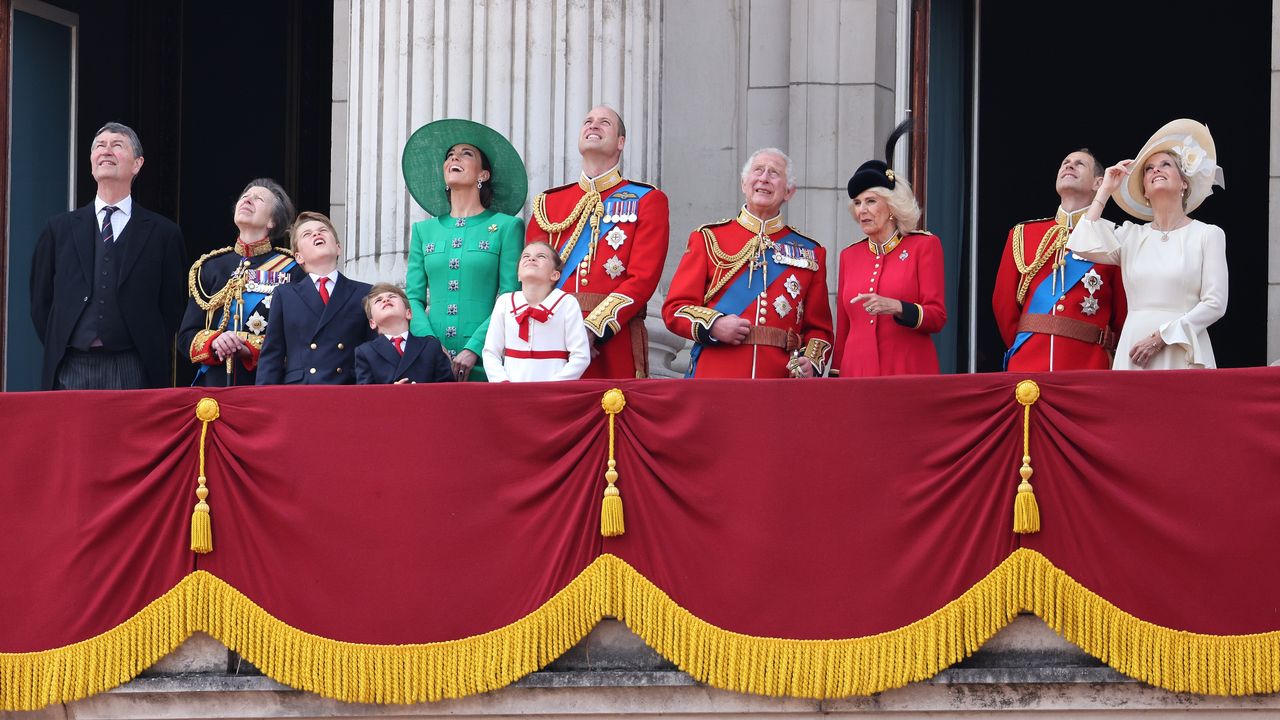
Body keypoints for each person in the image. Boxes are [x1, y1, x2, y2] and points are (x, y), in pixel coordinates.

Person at [29, 122, 187, 390]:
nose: (106, 151)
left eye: (117, 145)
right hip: (70, 366)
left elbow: (173, 305)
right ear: (91, 164)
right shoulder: (58, 229)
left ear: (137, 164)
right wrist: (64, 341)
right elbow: (40, 301)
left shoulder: (164, 233)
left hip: (134, 367)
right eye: (100, 146)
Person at [1068, 119, 1227, 370]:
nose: (1155, 170)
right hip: (1134, 351)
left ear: (1184, 183)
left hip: (1182, 348)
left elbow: (1215, 304)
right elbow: (1080, 244)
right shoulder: (1130, 235)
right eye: (1149, 169)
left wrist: (1161, 338)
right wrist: (1105, 190)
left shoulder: (1208, 234)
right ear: (1144, 190)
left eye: (1165, 164)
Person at [662, 148, 833, 378]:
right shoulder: (708, 238)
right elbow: (676, 309)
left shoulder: (811, 252)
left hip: (778, 382)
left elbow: (820, 329)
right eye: (758, 170)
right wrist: (714, 325)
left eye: (774, 173)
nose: (764, 178)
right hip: (715, 376)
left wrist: (810, 362)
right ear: (744, 183)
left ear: (789, 191)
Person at [527, 105, 669, 379]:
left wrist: (594, 328)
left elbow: (643, 278)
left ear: (620, 142)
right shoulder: (549, 203)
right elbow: (532, 274)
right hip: (552, 334)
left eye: (605, 122)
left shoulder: (647, 200)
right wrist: (555, 327)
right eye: (588, 121)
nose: (593, 125)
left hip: (612, 339)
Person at [403, 119, 527, 382]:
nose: (454, 158)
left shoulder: (507, 227)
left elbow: (510, 296)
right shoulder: (424, 231)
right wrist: (430, 346)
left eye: (465, 154)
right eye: (449, 155)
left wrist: (476, 347)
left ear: (484, 174)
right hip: (431, 360)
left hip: (488, 358)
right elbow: (412, 299)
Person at [992, 150, 1126, 371]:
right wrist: (1024, 344)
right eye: (1065, 162)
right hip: (1028, 362)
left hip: (1088, 365)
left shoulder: (1112, 237)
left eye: (1079, 164)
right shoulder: (1023, 233)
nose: (1069, 166)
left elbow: (1122, 313)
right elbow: (1004, 305)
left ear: (1098, 183)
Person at [179, 178, 302, 386]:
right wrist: (214, 341)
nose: (248, 200)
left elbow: (299, 340)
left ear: (272, 221)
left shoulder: (293, 269)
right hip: (214, 385)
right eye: (245, 197)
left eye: (258, 199)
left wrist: (247, 347)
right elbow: (186, 337)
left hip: (265, 384)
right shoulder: (210, 266)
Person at [834, 150, 946, 377]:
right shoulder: (849, 255)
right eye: (857, 203)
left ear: (892, 207)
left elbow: (937, 317)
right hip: (856, 373)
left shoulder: (924, 246)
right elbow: (843, 328)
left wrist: (897, 306)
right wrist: (835, 377)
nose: (862, 210)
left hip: (907, 370)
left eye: (871, 201)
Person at [256, 212, 375, 384]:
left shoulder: (364, 293)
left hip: (348, 391)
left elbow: (375, 351)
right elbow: (272, 355)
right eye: (307, 234)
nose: (316, 234)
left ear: (338, 247)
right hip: (300, 391)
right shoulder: (285, 295)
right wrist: (264, 402)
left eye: (322, 230)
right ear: (299, 257)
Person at [482, 241, 590, 382]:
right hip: (511, 392)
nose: (531, 258)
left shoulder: (567, 303)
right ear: (518, 275)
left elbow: (581, 356)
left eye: (541, 256)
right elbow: (490, 352)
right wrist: (503, 384)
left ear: (555, 275)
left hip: (553, 395)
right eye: (525, 256)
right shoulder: (504, 302)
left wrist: (554, 387)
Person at [355, 283, 454, 384]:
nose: (385, 300)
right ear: (372, 323)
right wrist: (392, 393)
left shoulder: (431, 346)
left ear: (408, 313)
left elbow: (447, 388)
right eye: (378, 300)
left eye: (392, 296)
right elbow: (366, 395)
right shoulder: (366, 352)